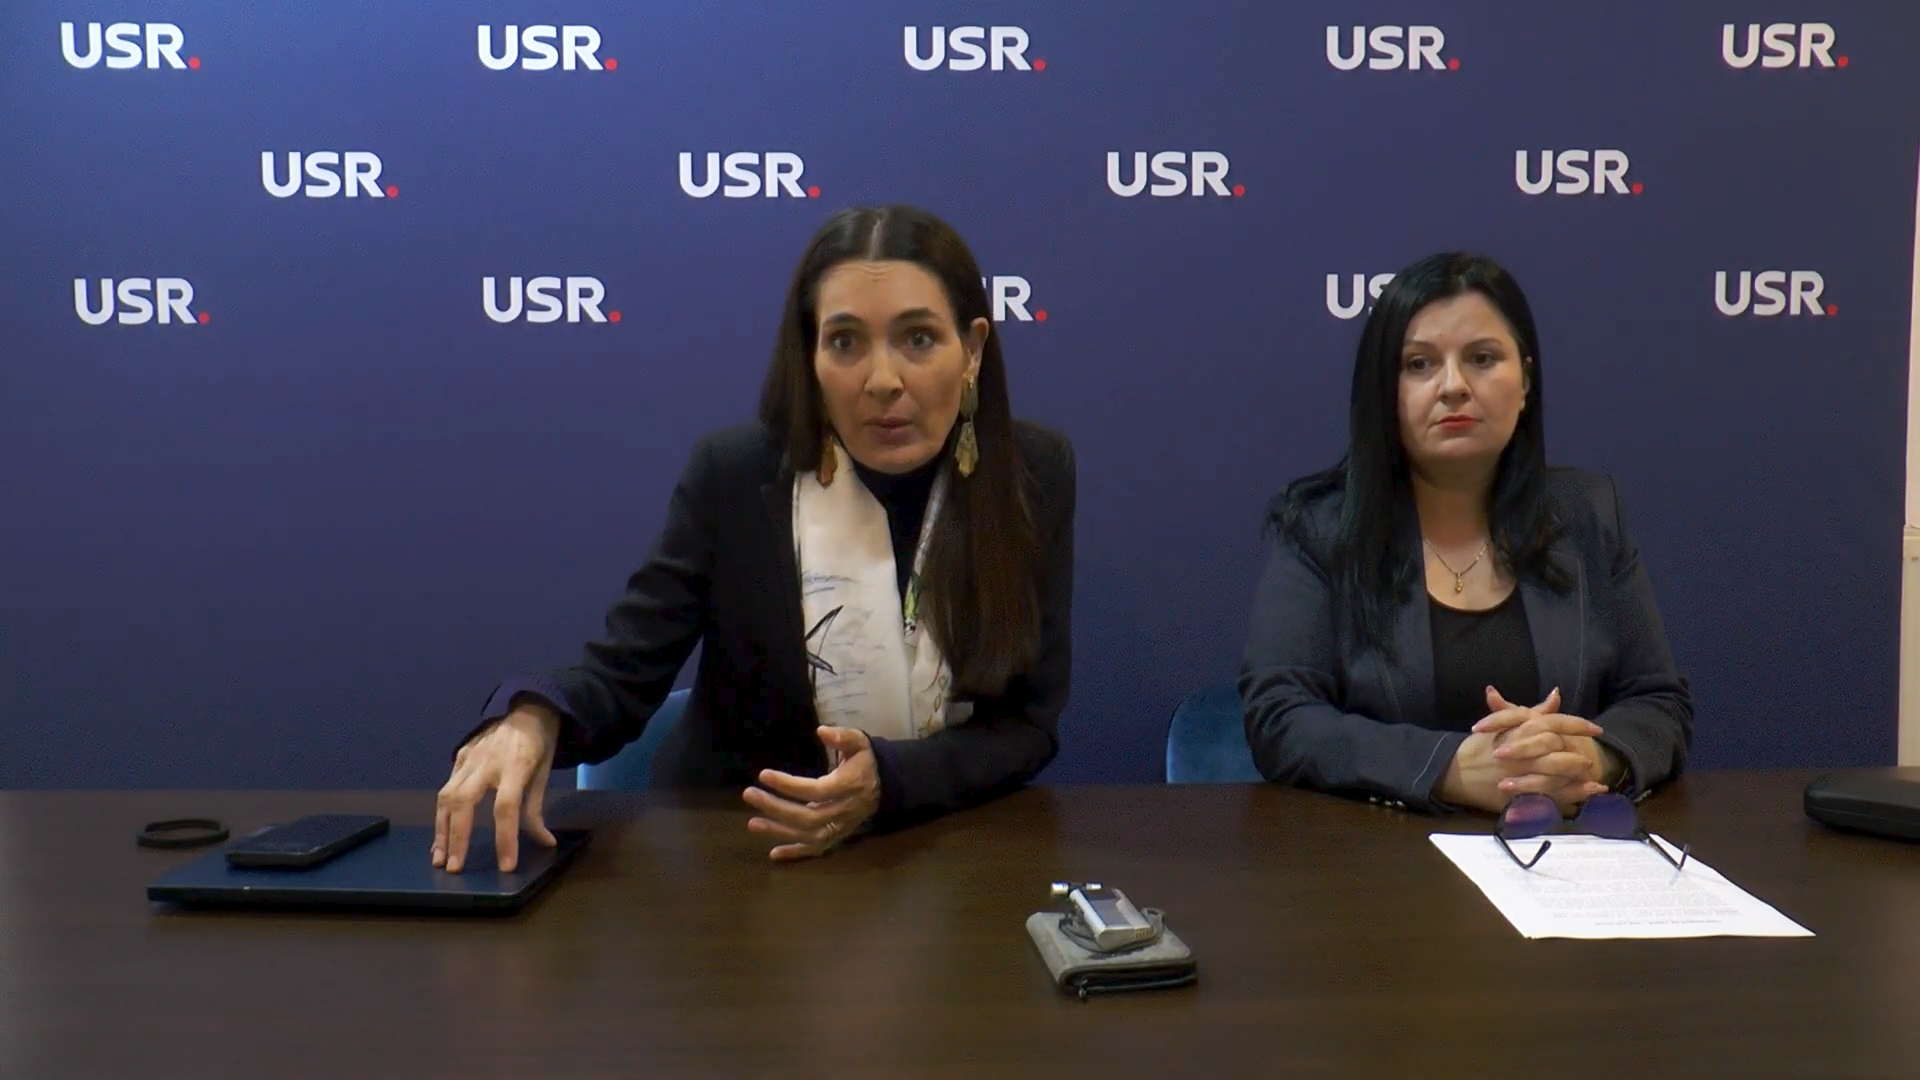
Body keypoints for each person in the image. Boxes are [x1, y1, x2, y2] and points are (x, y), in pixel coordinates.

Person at [435, 205, 1076, 869]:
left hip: (941, 847)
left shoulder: (1034, 475)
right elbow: (621, 675)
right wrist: (532, 715)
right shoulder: (735, 475)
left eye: (918, 339)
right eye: (845, 342)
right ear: (810, 356)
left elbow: (1026, 726)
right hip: (739, 859)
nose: (884, 380)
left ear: (972, 350)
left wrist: (891, 780)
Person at [1240, 252, 1690, 815]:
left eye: (1482, 358)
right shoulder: (1320, 528)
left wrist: (1585, 759)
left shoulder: (1590, 515)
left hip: (1562, 849)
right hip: (1379, 854)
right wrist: (1448, 769)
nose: (1453, 386)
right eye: (1419, 364)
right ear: (1385, 392)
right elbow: (1281, 716)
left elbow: (1658, 702)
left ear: (1525, 381)